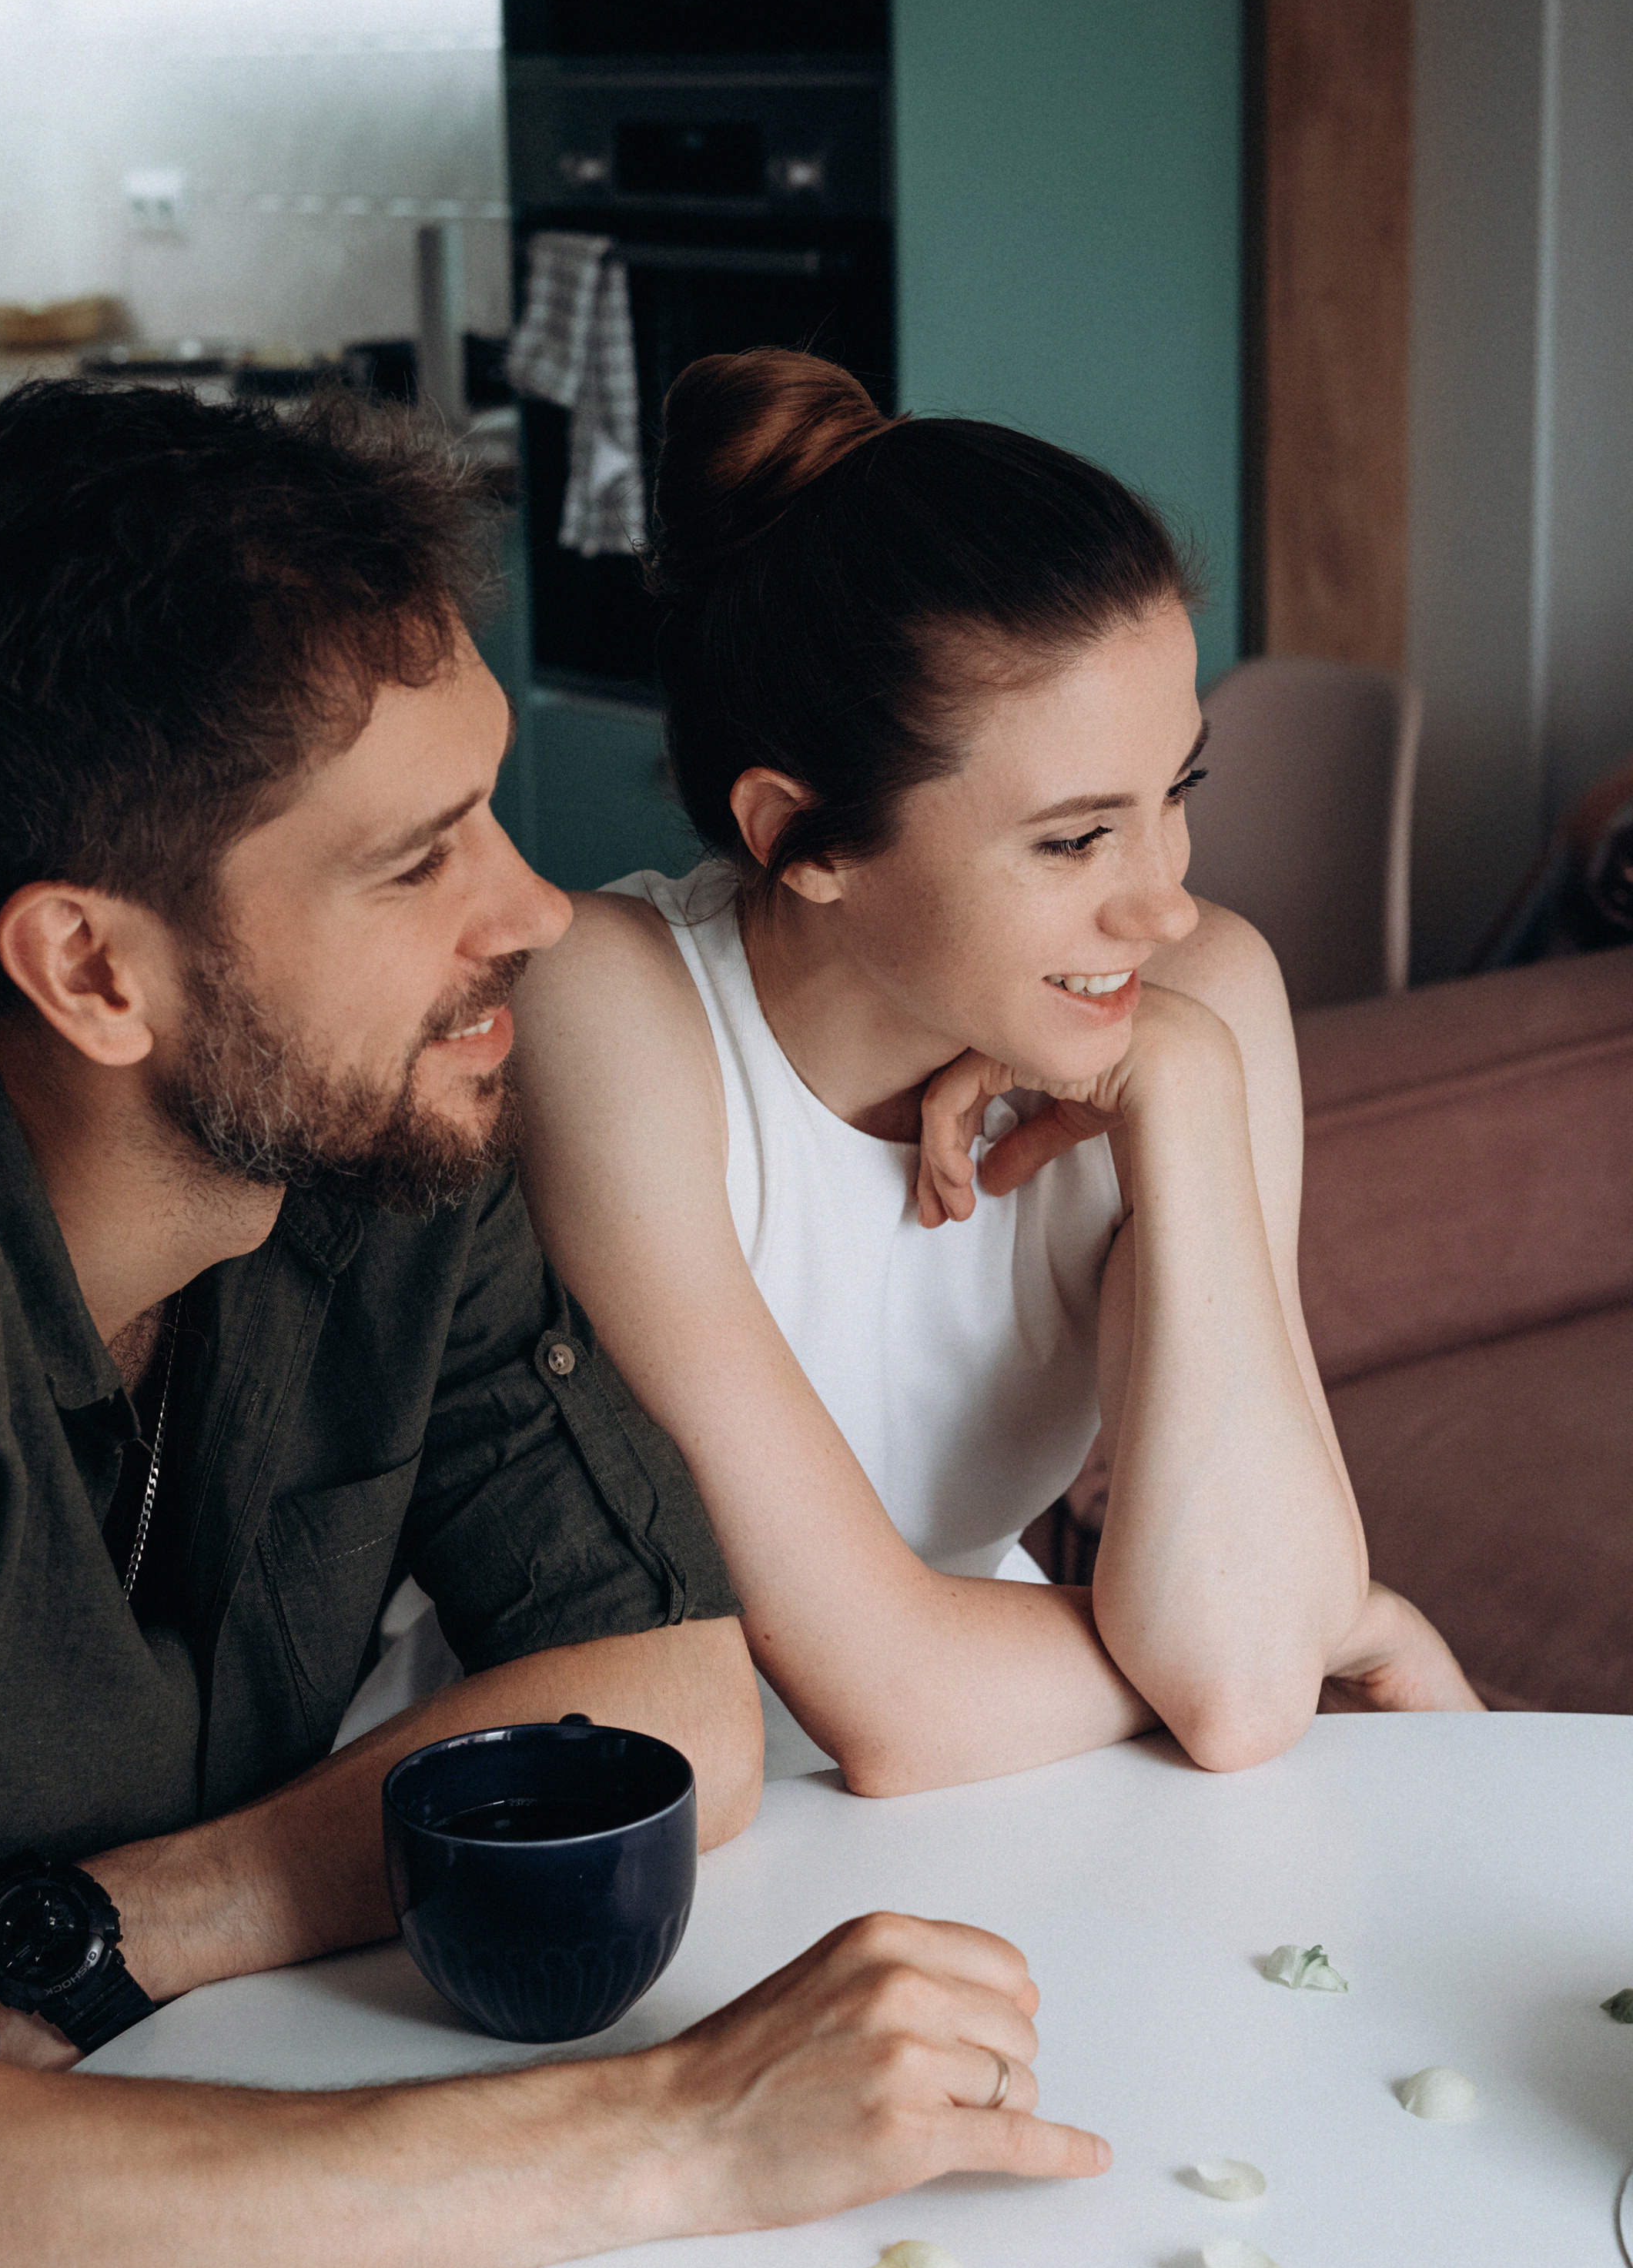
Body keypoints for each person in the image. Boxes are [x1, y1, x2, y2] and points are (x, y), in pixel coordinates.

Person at [0, 380, 1111, 2268]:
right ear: (94, 971)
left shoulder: (363, 1169)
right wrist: (676, 2137)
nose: (536, 911)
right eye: (414, 856)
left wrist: (107, 1932)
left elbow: (668, 1709)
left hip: (142, 2251)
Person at [514, 350, 1481, 1795]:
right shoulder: (613, 1007)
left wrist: (1191, 1089)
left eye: (1179, 795)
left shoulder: (1196, 995)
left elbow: (1230, 1696)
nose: (1164, 901)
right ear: (804, 838)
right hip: (594, 1823)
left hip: (1006, 1796)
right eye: (1076, 839)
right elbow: (895, 1706)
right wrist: (1304, 1633)